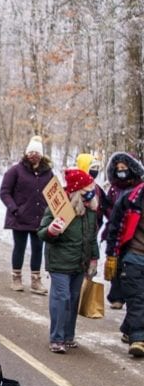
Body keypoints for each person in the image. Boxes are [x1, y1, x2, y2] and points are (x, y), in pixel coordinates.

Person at [38, 168, 99, 353]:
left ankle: (68, 336)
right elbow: (42, 233)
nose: (91, 193)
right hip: (59, 263)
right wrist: (52, 230)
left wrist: (94, 258)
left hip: (80, 263)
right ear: (78, 191)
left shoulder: (90, 211)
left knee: (73, 299)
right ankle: (56, 338)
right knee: (62, 298)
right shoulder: (59, 208)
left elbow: (91, 237)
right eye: (87, 189)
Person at [0, 135, 53, 294]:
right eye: (30, 152)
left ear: (41, 155)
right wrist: (14, 208)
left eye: (36, 152)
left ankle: (36, 280)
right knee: (20, 247)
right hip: (20, 217)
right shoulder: (16, 170)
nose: (33, 155)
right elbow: (4, 192)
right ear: (26, 153)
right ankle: (16, 277)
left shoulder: (48, 173)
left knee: (37, 248)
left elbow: (54, 193)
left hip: (39, 218)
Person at [104, 168, 144, 357]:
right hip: (133, 257)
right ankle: (138, 339)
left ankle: (129, 328)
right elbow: (115, 228)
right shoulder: (130, 200)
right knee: (137, 300)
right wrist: (111, 256)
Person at [100, 152, 144, 310]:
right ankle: (117, 296)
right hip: (115, 227)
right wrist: (112, 215)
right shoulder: (114, 188)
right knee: (115, 263)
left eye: (124, 168)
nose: (121, 171)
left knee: (128, 267)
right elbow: (107, 205)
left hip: (132, 232)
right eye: (118, 169)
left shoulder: (138, 188)